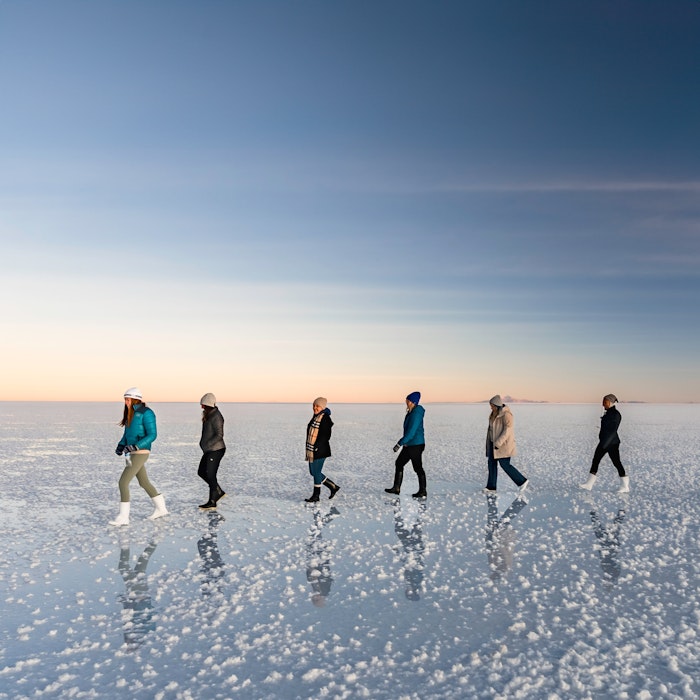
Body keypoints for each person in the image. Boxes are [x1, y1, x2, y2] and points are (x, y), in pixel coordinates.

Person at [110, 387, 168, 526]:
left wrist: (137, 446)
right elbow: (127, 435)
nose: (126, 402)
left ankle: (124, 517)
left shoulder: (146, 413)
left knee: (123, 482)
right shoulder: (130, 413)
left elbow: (152, 434)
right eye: (125, 399)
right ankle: (161, 509)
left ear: (136, 399)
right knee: (144, 482)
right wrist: (120, 446)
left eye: (128, 399)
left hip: (140, 452)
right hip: (131, 452)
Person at [580, 394, 629, 493]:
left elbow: (612, 431)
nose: (603, 405)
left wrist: (604, 444)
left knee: (616, 462)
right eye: (602, 402)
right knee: (596, 460)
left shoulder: (615, 414)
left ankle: (625, 486)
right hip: (605, 441)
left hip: (611, 443)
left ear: (611, 403)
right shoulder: (608, 413)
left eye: (605, 402)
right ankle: (589, 484)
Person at [385, 391, 427, 498]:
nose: (406, 402)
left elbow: (411, 432)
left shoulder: (416, 414)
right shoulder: (411, 412)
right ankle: (396, 488)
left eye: (407, 400)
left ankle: (423, 491)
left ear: (412, 402)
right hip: (409, 444)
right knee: (399, 463)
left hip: (416, 445)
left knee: (418, 468)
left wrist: (400, 443)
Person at [484, 395, 529, 494]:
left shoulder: (506, 414)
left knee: (505, 464)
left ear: (497, 405)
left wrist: (499, 442)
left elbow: (507, 430)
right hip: (492, 443)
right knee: (491, 464)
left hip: (503, 444)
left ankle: (522, 481)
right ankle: (491, 487)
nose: (490, 407)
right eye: (490, 405)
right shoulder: (493, 414)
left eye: (492, 405)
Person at [304, 397, 340, 502]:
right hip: (312, 449)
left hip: (320, 450)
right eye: (314, 406)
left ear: (322, 407)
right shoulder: (316, 416)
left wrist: (317, 447)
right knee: (313, 472)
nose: (315, 408)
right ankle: (333, 486)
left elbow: (325, 436)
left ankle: (316, 496)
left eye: (317, 406)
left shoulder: (325, 418)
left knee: (316, 472)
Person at [197, 393, 227, 509]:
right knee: (201, 472)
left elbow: (219, 435)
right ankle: (218, 491)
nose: (202, 407)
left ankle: (212, 501)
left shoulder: (217, 416)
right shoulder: (209, 415)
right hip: (209, 450)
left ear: (208, 404)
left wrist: (208, 444)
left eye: (203, 405)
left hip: (216, 449)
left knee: (210, 474)